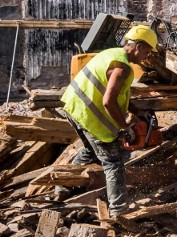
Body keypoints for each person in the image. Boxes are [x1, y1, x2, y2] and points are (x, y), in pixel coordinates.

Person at [55, 25, 158, 217]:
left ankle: (62, 187)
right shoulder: (123, 67)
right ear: (138, 46)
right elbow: (109, 101)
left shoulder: (112, 53)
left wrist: (134, 109)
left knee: (88, 151)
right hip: (89, 116)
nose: (146, 56)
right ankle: (119, 210)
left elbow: (117, 94)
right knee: (113, 163)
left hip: (73, 108)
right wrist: (125, 127)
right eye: (147, 50)